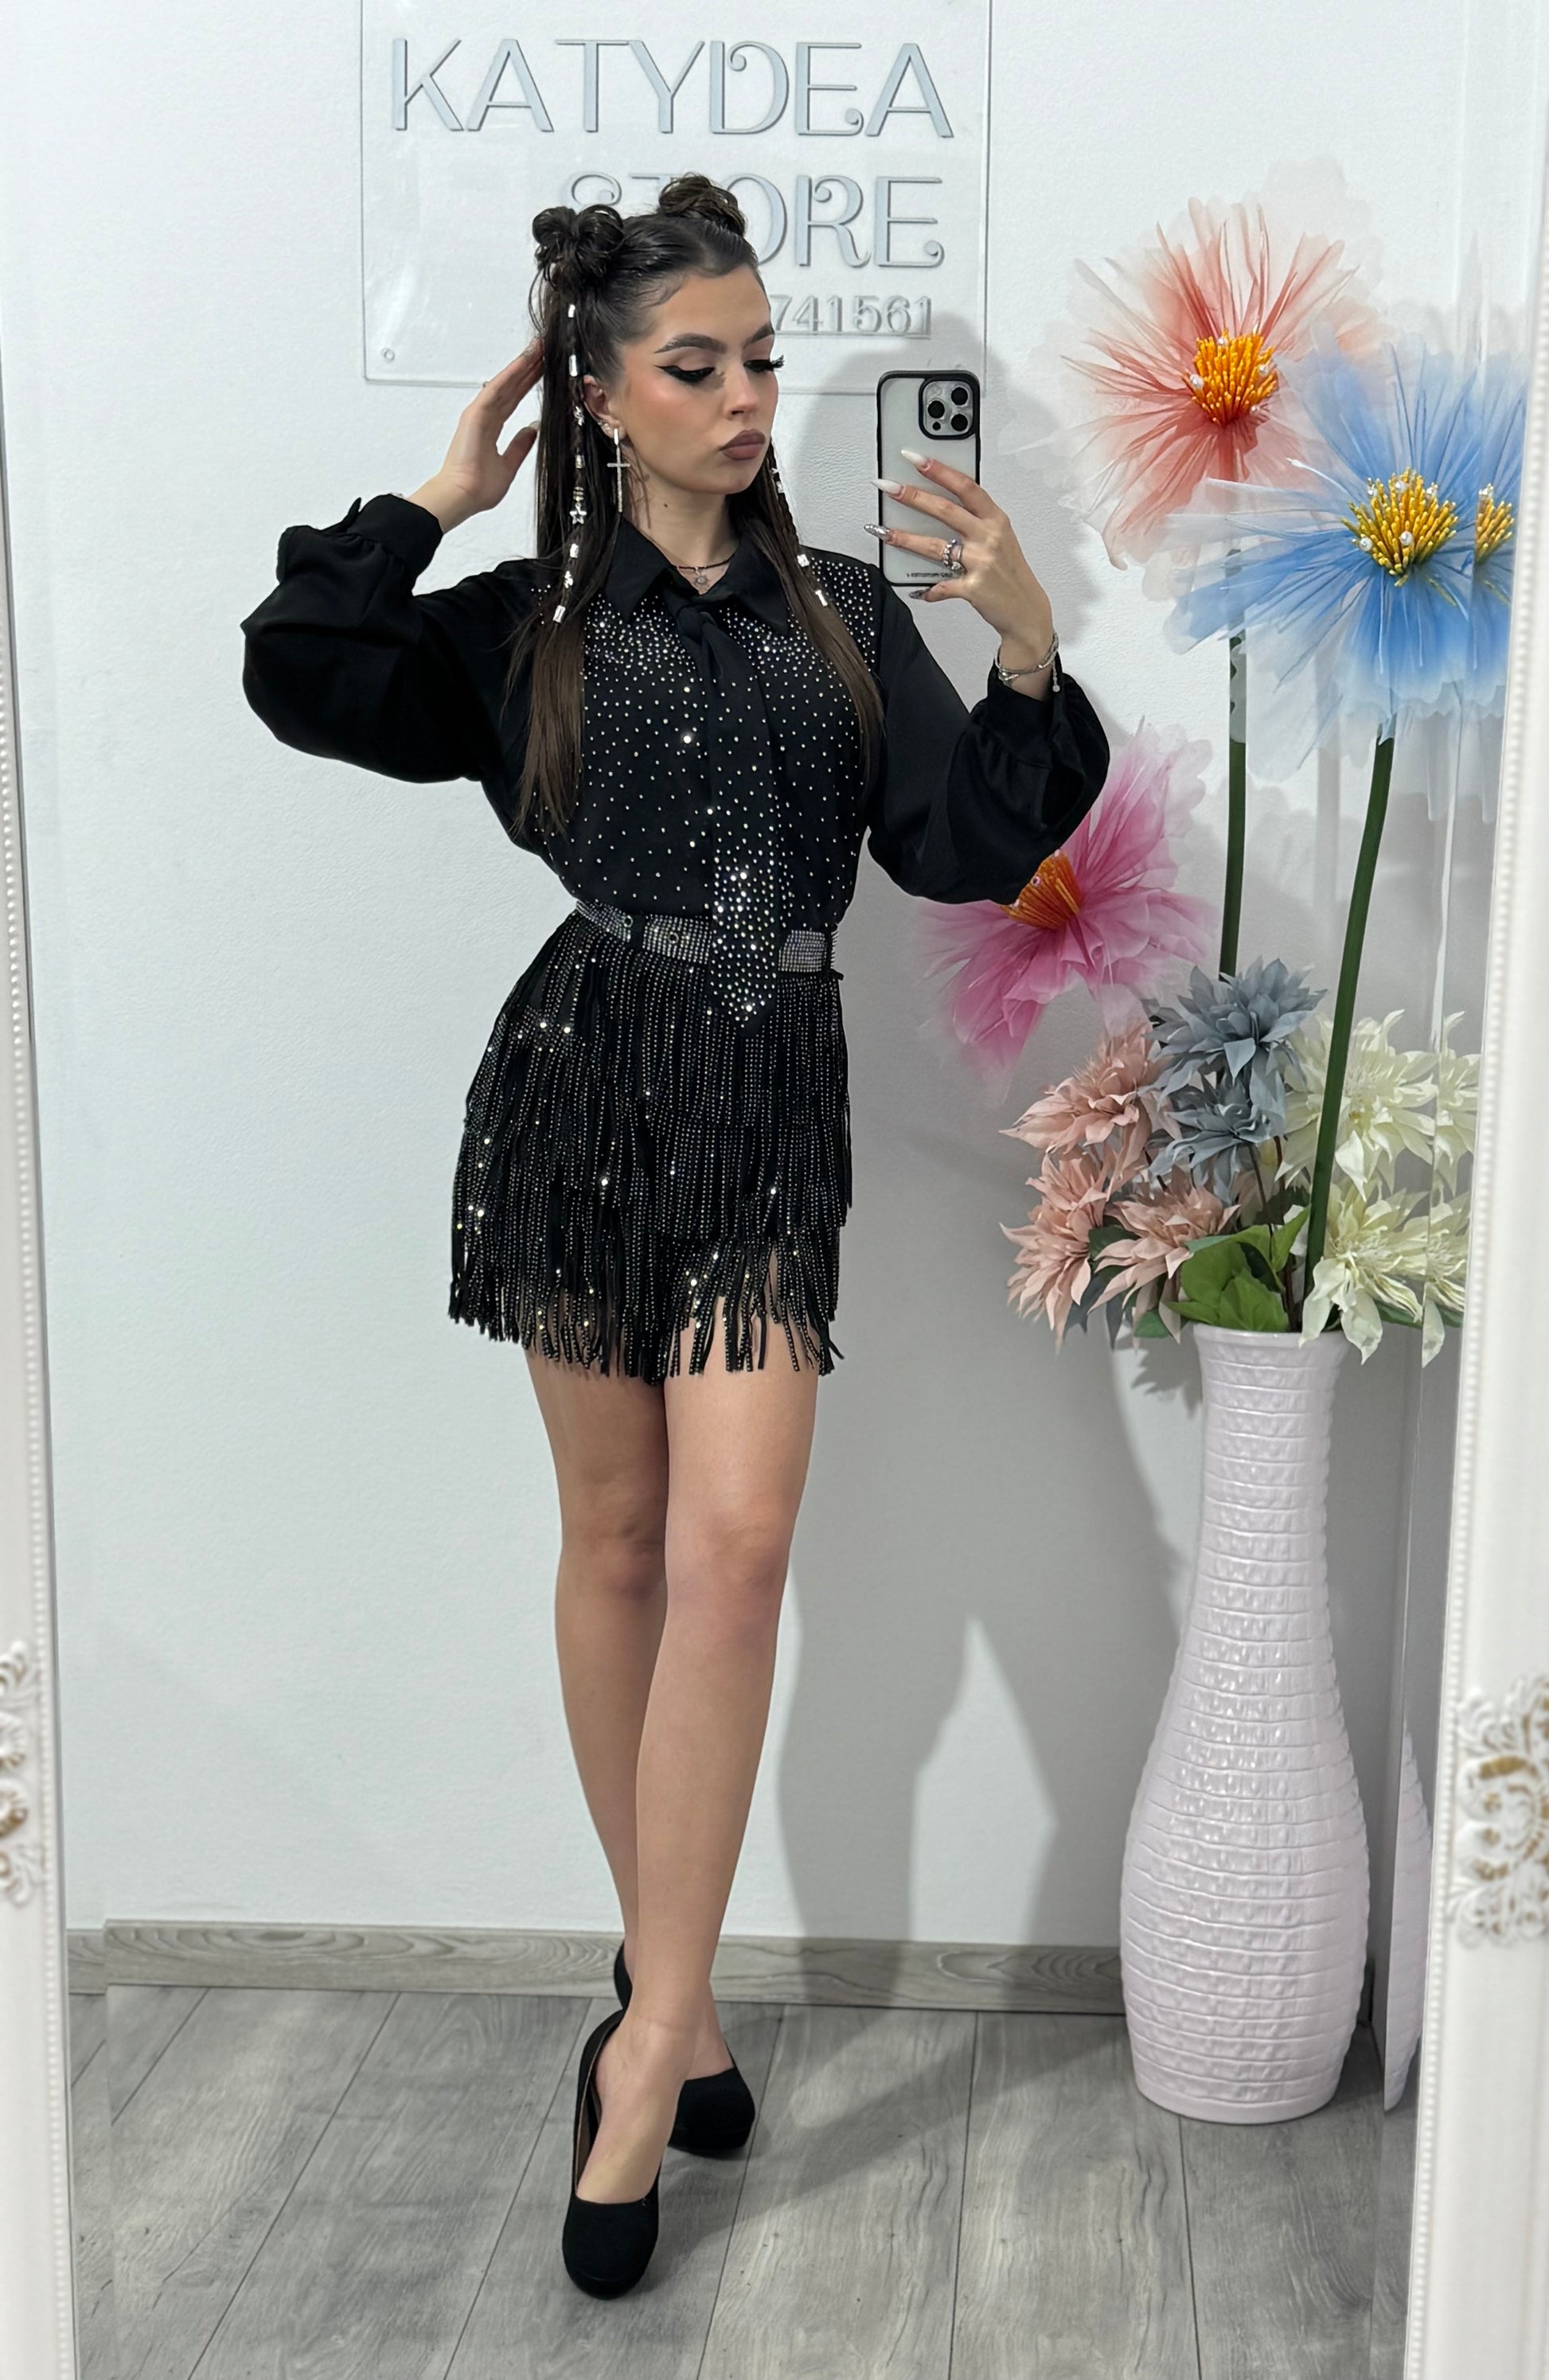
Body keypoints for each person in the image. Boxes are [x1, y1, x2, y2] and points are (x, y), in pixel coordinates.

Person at [239, 172, 1110, 2297]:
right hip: (580, 1087)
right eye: (696, 365)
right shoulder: (518, 625)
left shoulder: (844, 611)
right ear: (603, 392)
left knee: (735, 1550)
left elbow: (959, 844)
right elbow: (299, 671)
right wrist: (432, 497)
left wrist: (1022, 639)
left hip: (769, 1103)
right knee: (621, 1543)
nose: (744, 398)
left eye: (760, 360)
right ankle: (682, 1995)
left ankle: (641, 2049)